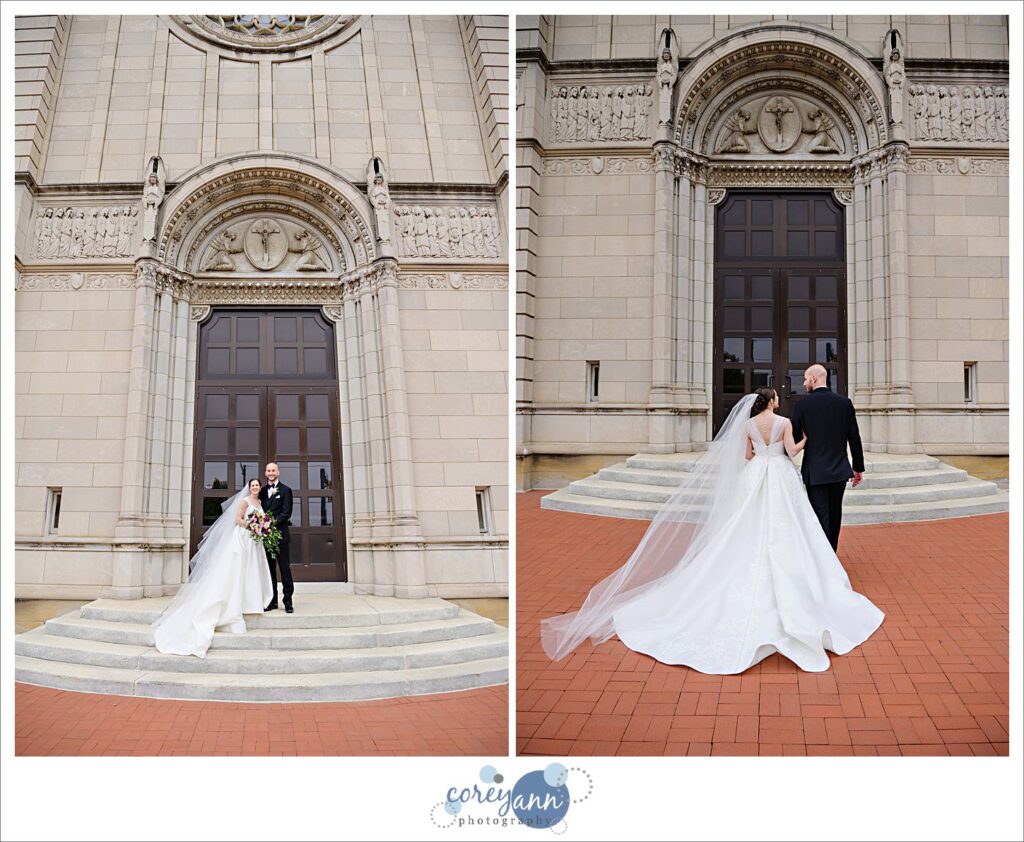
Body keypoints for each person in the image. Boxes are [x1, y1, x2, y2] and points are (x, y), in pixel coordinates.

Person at [540, 388, 884, 674]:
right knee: (788, 526)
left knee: (744, 524)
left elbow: (748, 456)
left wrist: (764, 454)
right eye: (777, 397)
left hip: (756, 475)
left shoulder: (749, 424)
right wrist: (803, 440)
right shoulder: (784, 422)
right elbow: (791, 451)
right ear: (774, 402)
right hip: (779, 474)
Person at [152, 479, 274, 657]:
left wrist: (261, 528)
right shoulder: (244, 501)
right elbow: (238, 520)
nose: (255, 487)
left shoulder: (260, 503)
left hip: (253, 542)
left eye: (257, 485)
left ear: (259, 488)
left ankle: (250, 601)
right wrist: (254, 526)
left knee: (250, 571)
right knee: (236, 572)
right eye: (252, 485)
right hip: (242, 538)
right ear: (249, 487)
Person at [791, 364, 864, 552]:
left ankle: (824, 558)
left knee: (818, 514)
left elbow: (797, 437)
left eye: (806, 379)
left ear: (814, 379)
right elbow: (854, 438)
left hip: (814, 471)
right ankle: (831, 553)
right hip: (839, 469)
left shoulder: (801, 405)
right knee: (834, 514)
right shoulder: (844, 403)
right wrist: (858, 467)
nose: (804, 383)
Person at [259, 462, 294, 613]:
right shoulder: (262, 491)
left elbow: (287, 513)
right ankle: (272, 601)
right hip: (266, 538)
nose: (271, 473)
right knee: (270, 570)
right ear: (266, 473)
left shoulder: (286, 490)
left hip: (281, 536)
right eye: (268, 470)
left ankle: (288, 601)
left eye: (273, 470)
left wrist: (270, 523)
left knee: (285, 569)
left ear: (278, 472)